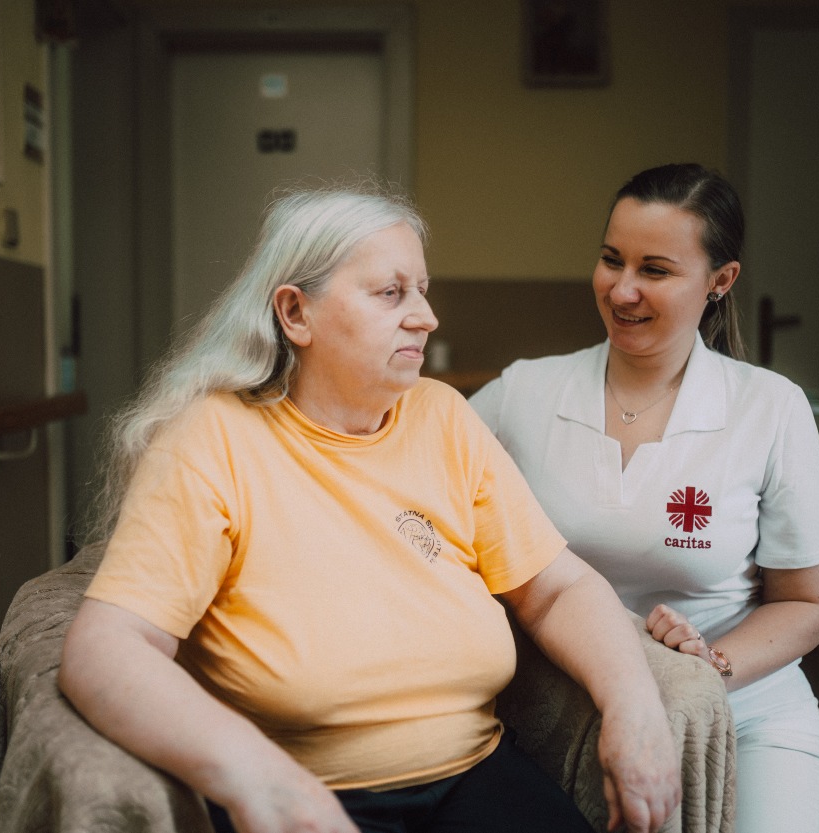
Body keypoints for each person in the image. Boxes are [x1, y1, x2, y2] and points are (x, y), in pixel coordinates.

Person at [57, 185, 682, 833]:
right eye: (392, 293)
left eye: (422, 289)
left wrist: (634, 706)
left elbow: (557, 586)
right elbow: (106, 646)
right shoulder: (211, 438)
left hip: (476, 771)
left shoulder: (443, 417)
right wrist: (265, 784)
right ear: (295, 313)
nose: (426, 316)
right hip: (312, 792)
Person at [469, 163, 819, 833]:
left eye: (656, 270)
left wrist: (703, 669)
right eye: (612, 260)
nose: (622, 289)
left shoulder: (769, 408)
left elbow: (807, 602)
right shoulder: (525, 394)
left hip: (744, 710)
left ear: (720, 281)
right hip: (566, 712)